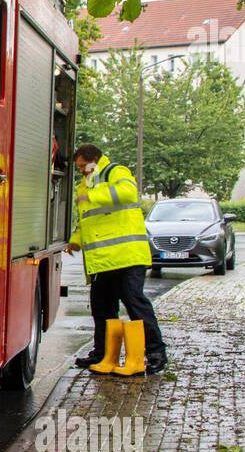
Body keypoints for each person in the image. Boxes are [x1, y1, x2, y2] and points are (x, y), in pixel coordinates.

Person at [66, 144, 168, 374]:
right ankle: (103, 355)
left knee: (135, 304)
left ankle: (156, 353)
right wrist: (75, 240)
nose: (81, 170)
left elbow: (128, 193)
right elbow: (88, 219)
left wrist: (92, 194)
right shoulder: (88, 182)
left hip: (128, 257)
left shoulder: (115, 172)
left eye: (83, 165)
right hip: (104, 260)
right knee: (102, 308)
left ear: (94, 160)